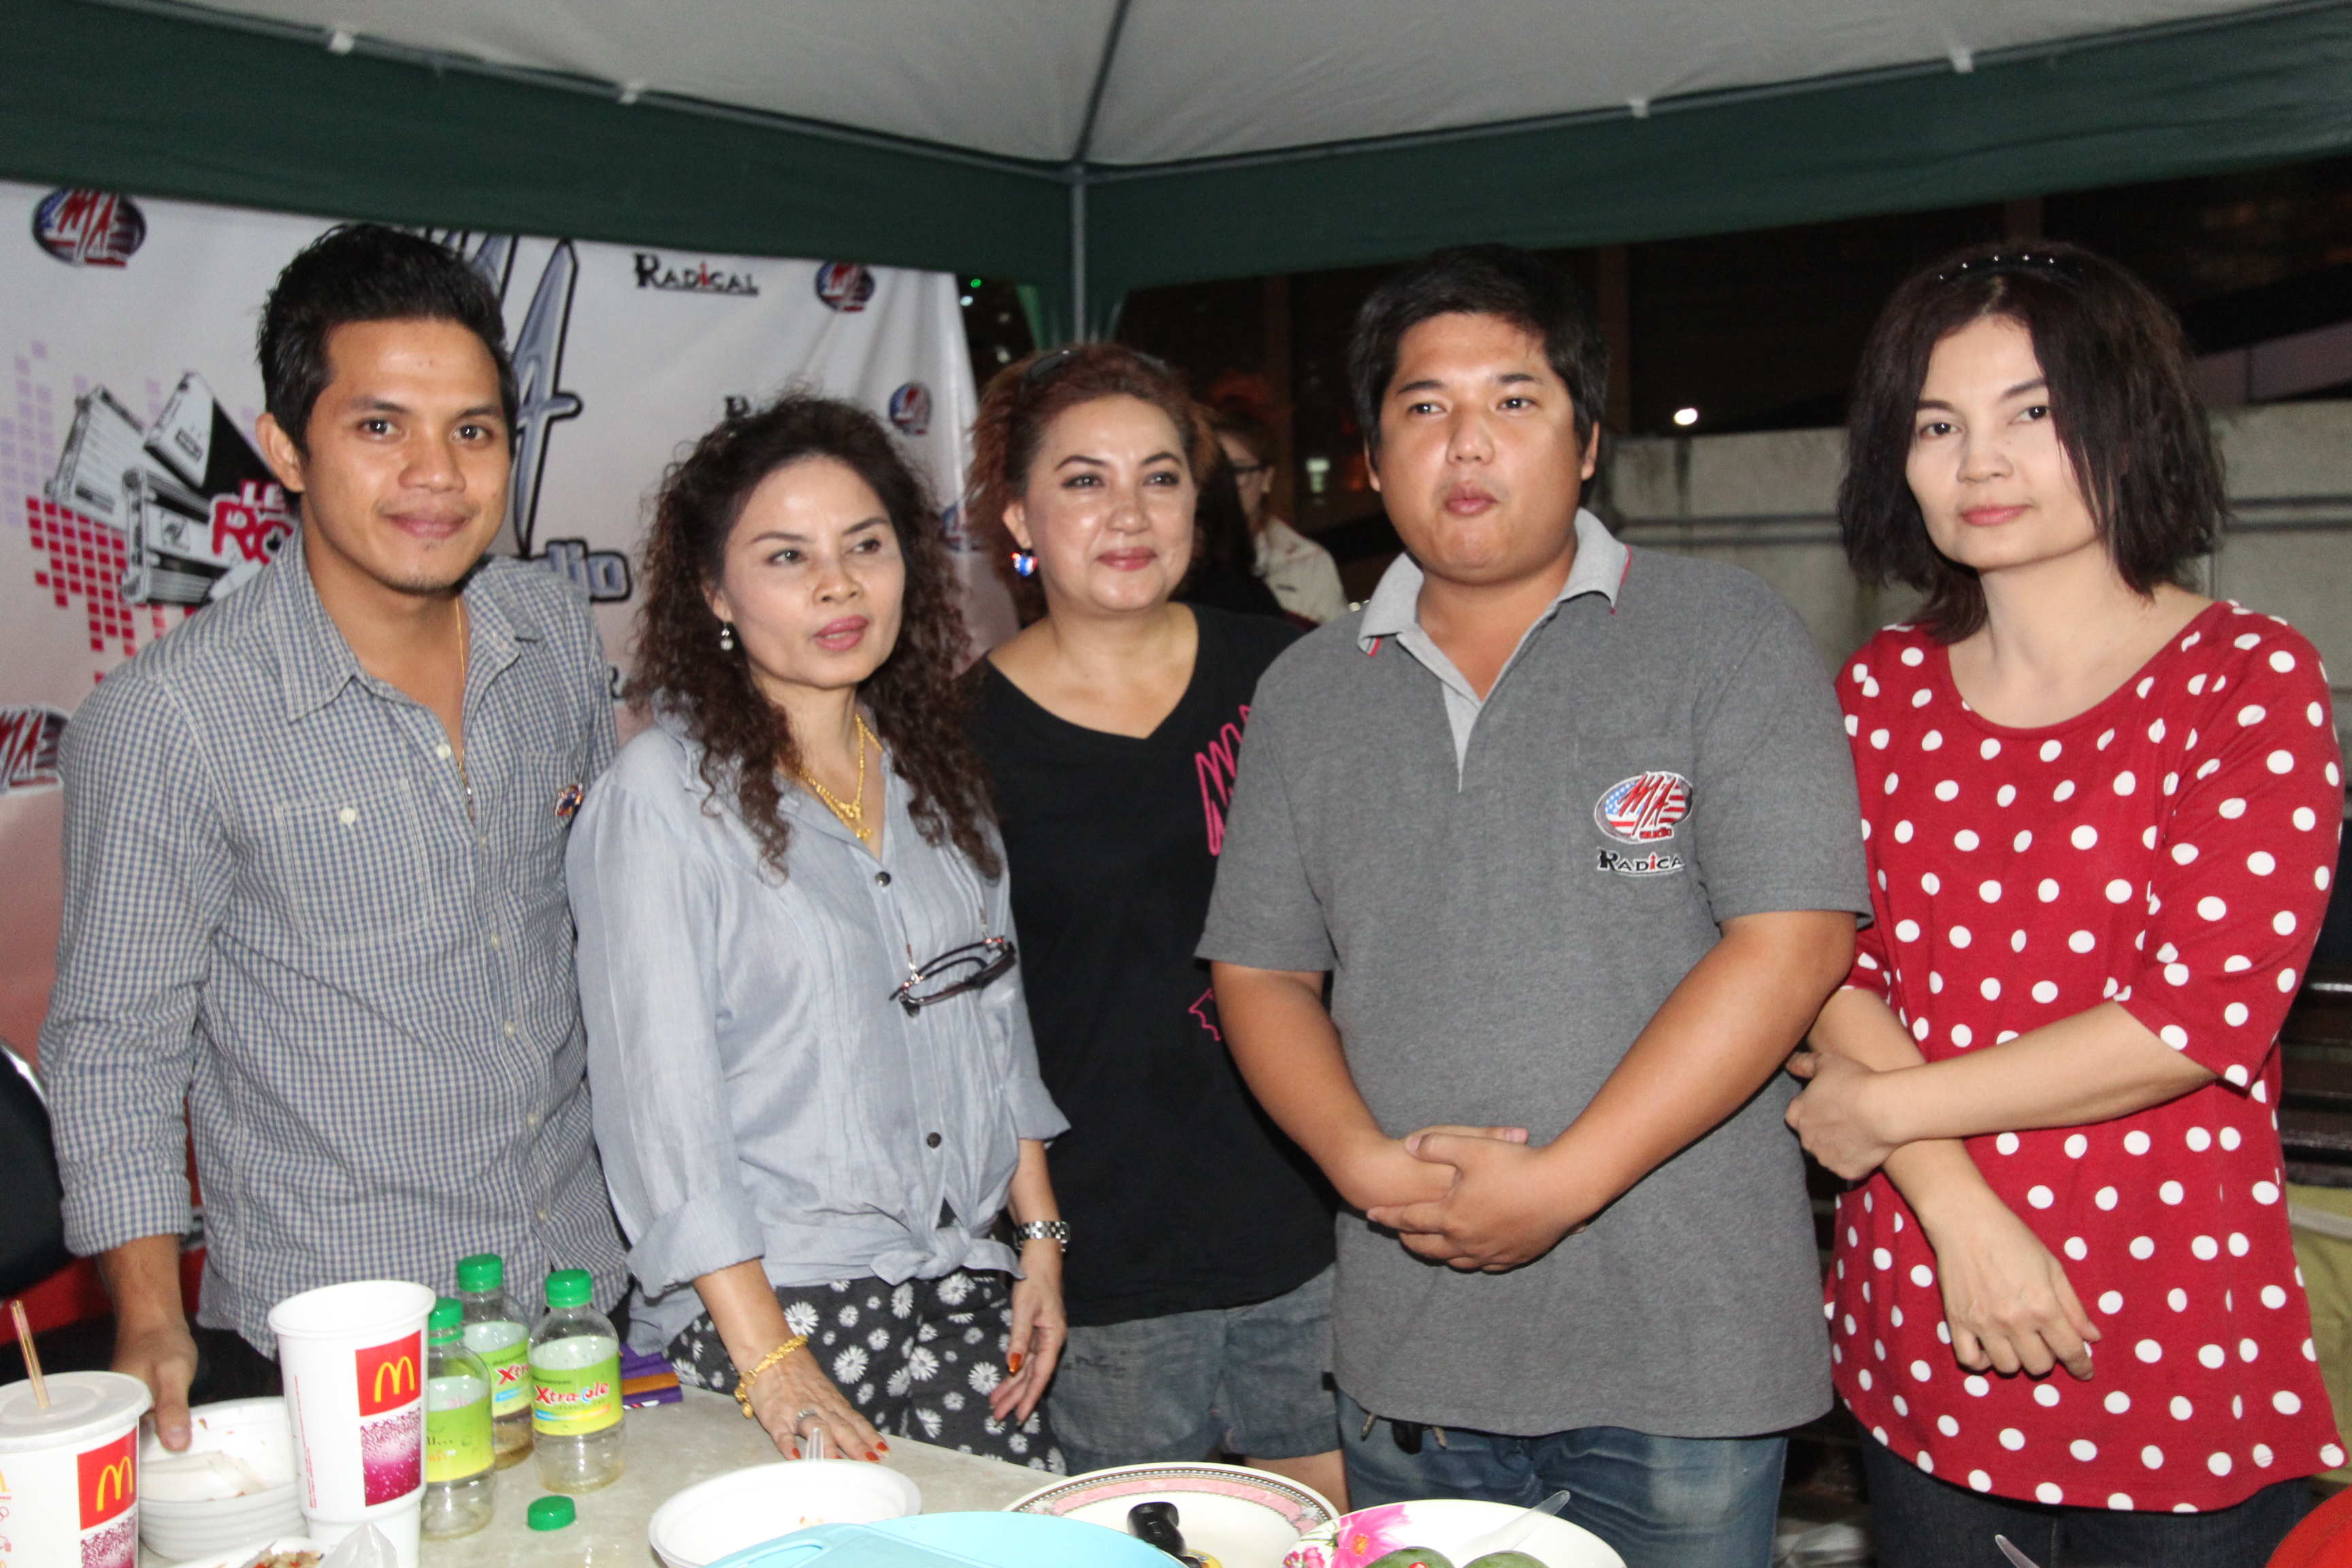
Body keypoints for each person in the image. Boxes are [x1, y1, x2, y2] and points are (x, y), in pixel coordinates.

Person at [1199, 245, 1869, 1568]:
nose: (1468, 442)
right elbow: (1263, 970)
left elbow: (1796, 942)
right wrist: (1356, 1161)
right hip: (1414, 1353)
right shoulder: (1310, 688)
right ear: (1372, 454)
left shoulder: (1725, 634)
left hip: (1685, 1357)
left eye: (1514, 399)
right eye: (1425, 405)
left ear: (1588, 440)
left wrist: (1564, 1183)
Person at [1785, 241, 2344, 1565]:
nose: (1979, 462)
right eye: (1937, 424)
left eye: (2030, 412)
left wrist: (1889, 1111)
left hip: (2161, 1316)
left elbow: (2193, 1020)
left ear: (2128, 420)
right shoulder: (1877, 692)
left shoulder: (2247, 679)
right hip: (1925, 1286)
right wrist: (1960, 1212)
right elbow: (1829, 966)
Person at [39, 224, 628, 1448]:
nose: (437, 474)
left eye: (474, 431)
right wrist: (149, 1318)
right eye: (380, 426)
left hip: (584, 1301)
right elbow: (114, 1045)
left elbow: (611, 936)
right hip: (344, 1347)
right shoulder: (171, 720)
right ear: (285, 450)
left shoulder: (551, 635)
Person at [571, 393, 1066, 1470]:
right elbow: (660, 1112)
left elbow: (997, 1025)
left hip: (965, 1298)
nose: (838, 584)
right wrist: (772, 1361)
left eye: (865, 546)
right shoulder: (664, 797)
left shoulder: (938, 776)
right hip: (771, 1316)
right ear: (715, 591)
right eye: (787, 557)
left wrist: (1038, 1243)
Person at [962, 344, 1345, 1494]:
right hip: (1104, 1266)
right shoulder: (954, 739)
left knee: (1339, 1542)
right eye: (1084, 480)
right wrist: (1039, 1240)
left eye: (1160, 477)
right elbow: (968, 1027)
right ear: (1018, 515)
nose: (1127, 513)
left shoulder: (1296, 677)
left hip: (1316, 1234)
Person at [1212, 404, 1348, 625]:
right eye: (1214, 472)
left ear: (1267, 478)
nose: (1223, 484)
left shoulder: (1306, 561)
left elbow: (1336, 642)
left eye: (1237, 471)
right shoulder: (1181, 557)